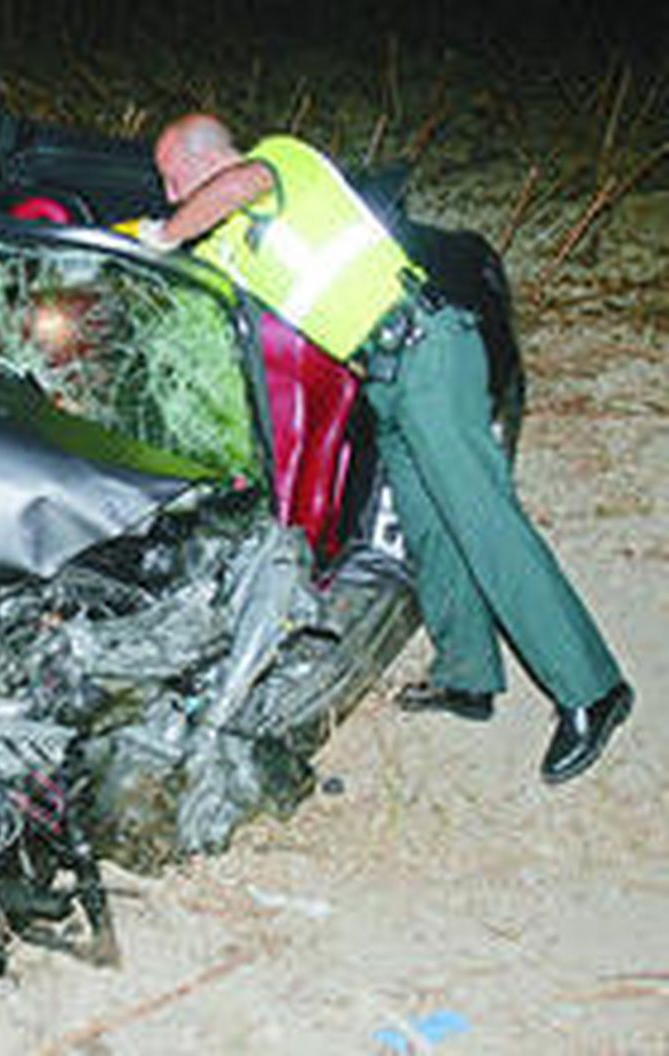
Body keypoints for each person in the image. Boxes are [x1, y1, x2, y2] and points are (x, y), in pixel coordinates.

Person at [126, 112, 632, 784]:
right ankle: (467, 676)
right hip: (386, 379)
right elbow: (161, 271)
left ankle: (592, 688)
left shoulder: (280, 163)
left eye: (172, 179)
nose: (168, 194)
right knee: (429, 527)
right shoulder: (226, 246)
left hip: (428, 347)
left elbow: (233, 189)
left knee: (483, 519)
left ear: (204, 160)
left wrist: (165, 231)